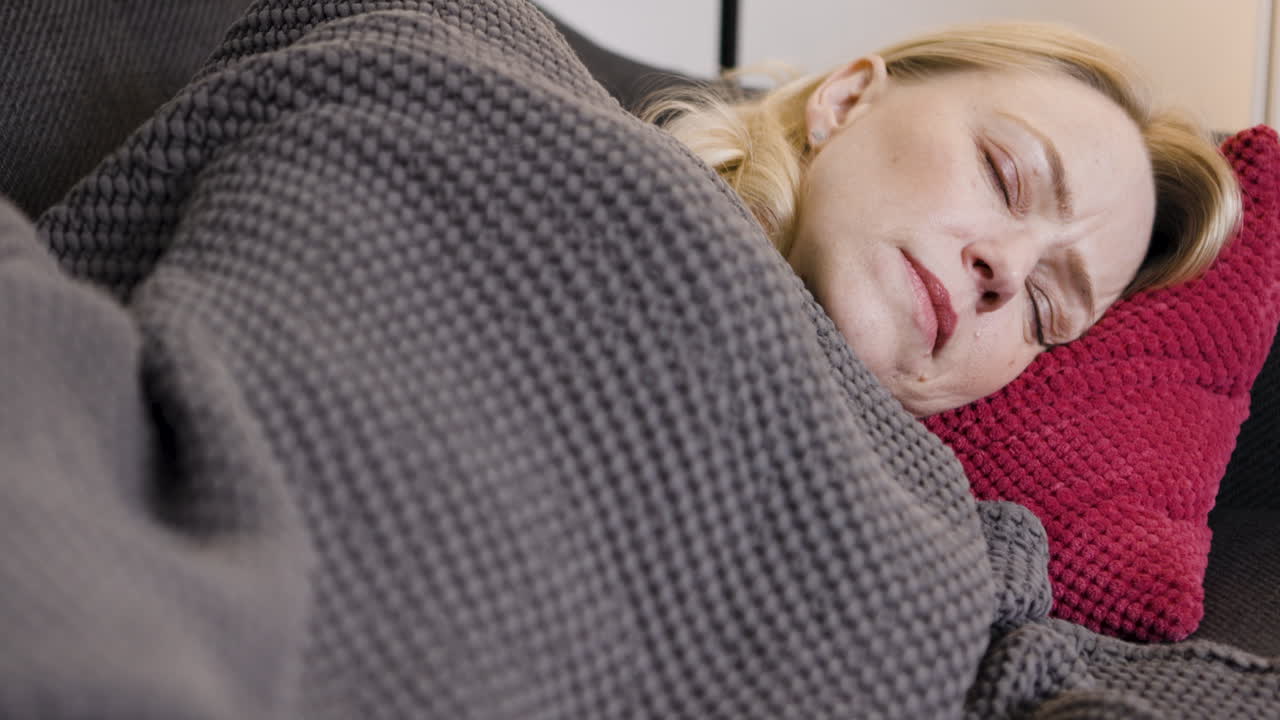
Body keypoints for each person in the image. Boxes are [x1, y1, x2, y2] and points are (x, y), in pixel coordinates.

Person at [642, 22, 1241, 417]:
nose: (1008, 271)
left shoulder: (974, 555)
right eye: (1005, 174)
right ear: (848, 100)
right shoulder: (578, 167)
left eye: (1043, 304)